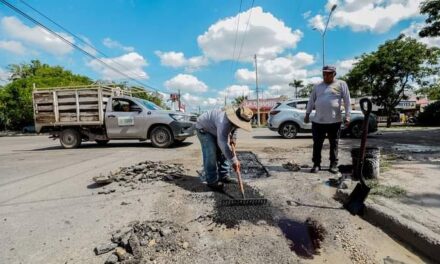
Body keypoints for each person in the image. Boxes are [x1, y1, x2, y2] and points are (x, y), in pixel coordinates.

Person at [304, 65, 351, 174]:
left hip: (335, 121)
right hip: (318, 121)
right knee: (317, 144)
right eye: (324, 73)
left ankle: (333, 164)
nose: (326, 75)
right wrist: (307, 114)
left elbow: (347, 101)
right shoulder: (317, 86)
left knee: (334, 144)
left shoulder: (341, 84)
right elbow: (311, 101)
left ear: (334, 74)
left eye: (329, 73)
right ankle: (316, 164)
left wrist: (348, 116)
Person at [196, 106, 253, 191]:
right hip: (204, 129)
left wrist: (233, 138)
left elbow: (235, 128)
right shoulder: (223, 121)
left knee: (224, 152)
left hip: (215, 129)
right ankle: (212, 181)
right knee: (211, 153)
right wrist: (234, 160)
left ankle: (224, 175)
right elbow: (222, 142)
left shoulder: (237, 117)